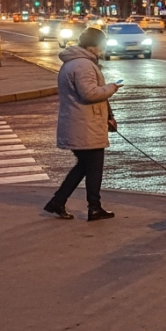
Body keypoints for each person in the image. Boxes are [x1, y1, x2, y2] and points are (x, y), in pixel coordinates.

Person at [44, 27, 121, 221]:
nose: (103, 50)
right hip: (85, 124)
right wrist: (112, 88)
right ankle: (94, 207)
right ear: (92, 46)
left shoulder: (74, 63)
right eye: (101, 46)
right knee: (93, 168)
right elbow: (90, 94)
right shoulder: (84, 65)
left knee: (84, 167)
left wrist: (109, 115)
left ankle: (58, 202)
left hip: (80, 122)